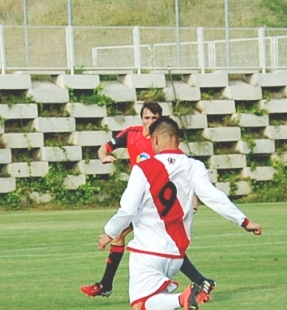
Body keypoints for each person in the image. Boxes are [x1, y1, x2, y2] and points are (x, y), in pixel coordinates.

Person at [97, 116, 262, 310]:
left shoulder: (144, 167)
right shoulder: (194, 166)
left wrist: (109, 232)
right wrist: (243, 221)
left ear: (153, 140)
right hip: (175, 256)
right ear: (178, 139)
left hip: (148, 252)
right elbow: (212, 197)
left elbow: (127, 209)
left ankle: (184, 297)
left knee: (142, 308)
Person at [81, 101, 214, 299]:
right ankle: (201, 281)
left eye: (155, 118)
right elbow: (104, 148)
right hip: (140, 197)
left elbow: (182, 172)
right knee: (165, 242)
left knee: (144, 239)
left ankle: (106, 285)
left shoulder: (163, 141)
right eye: (147, 117)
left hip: (156, 202)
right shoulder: (131, 134)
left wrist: (193, 196)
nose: (150, 121)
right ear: (141, 118)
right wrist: (103, 157)